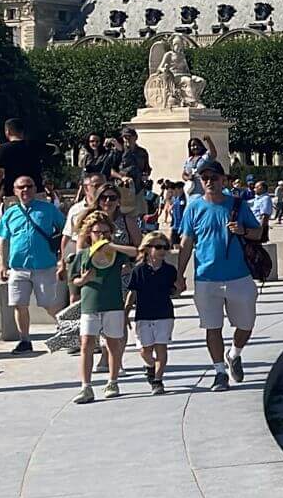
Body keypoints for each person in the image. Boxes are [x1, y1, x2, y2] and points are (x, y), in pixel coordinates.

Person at [174, 159, 266, 390]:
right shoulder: (193, 207)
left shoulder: (237, 205)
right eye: (204, 178)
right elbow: (186, 242)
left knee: (246, 324)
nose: (209, 182)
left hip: (239, 275)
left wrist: (243, 230)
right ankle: (219, 372)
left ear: (223, 180)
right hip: (206, 277)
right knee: (212, 327)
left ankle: (234, 354)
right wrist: (179, 274)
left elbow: (258, 233)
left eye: (214, 178)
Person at [66, 212, 137, 403]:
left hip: (113, 303)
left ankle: (113, 381)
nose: (102, 236)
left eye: (106, 232)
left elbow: (136, 253)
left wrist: (110, 245)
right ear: (89, 233)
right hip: (90, 304)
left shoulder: (116, 253)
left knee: (113, 343)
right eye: (97, 232)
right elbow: (74, 281)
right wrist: (84, 279)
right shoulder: (82, 255)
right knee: (86, 344)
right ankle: (86, 386)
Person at [0, 174, 67, 354]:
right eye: (21, 187)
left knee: (49, 303)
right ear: (15, 191)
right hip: (18, 266)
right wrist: (2, 265)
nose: (25, 190)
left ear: (35, 189)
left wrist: (62, 259)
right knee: (19, 304)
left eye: (29, 186)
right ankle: (25, 340)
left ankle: (69, 329)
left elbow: (65, 231)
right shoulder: (10, 213)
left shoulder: (48, 209)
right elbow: (3, 240)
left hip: (44, 265)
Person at [127, 231, 179, 395]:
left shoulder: (170, 270)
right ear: (148, 249)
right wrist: (125, 311)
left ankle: (158, 380)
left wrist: (179, 289)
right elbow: (132, 292)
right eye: (158, 247)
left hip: (164, 313)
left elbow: (174, 291)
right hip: (143, 314)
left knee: (161, 348)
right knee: (145, 351)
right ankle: (150, 366)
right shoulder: (138, 270)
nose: (162, 250)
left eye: (165, 247)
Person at [0, 119, 48, 196]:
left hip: (14, 193)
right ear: (22, 131)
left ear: (7, 131)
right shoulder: (35, 145)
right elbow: (55, 149)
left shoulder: (4, 149)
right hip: (36, 191)